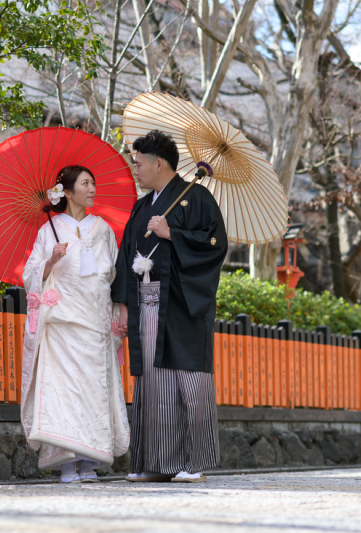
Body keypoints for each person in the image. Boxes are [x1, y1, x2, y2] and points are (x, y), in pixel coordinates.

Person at [111, 130, 228, 483]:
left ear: (158, 163)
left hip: (181, 302)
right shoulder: (142, 205)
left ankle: (194, 462)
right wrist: (124, 303)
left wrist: (172, 233)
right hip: (145, 300)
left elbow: (215, 245)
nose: (136, 169)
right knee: (153, 381)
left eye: (139, 163)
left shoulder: (198, 198)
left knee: (187, 379)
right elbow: (125, 256)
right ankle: (155, 462)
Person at [20, 165, 129, 484]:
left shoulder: (103, 229)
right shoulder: (48, 230)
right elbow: (29, 276)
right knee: (63, 391)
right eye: (85, 184)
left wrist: (118, 312)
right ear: (67, 193)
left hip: (94, 321)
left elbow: (114, 274)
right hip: (62, 322)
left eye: (93, 183)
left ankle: (89, 461)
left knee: (92, 389)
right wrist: (50, 260)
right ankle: (67, 463)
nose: (92, 188)